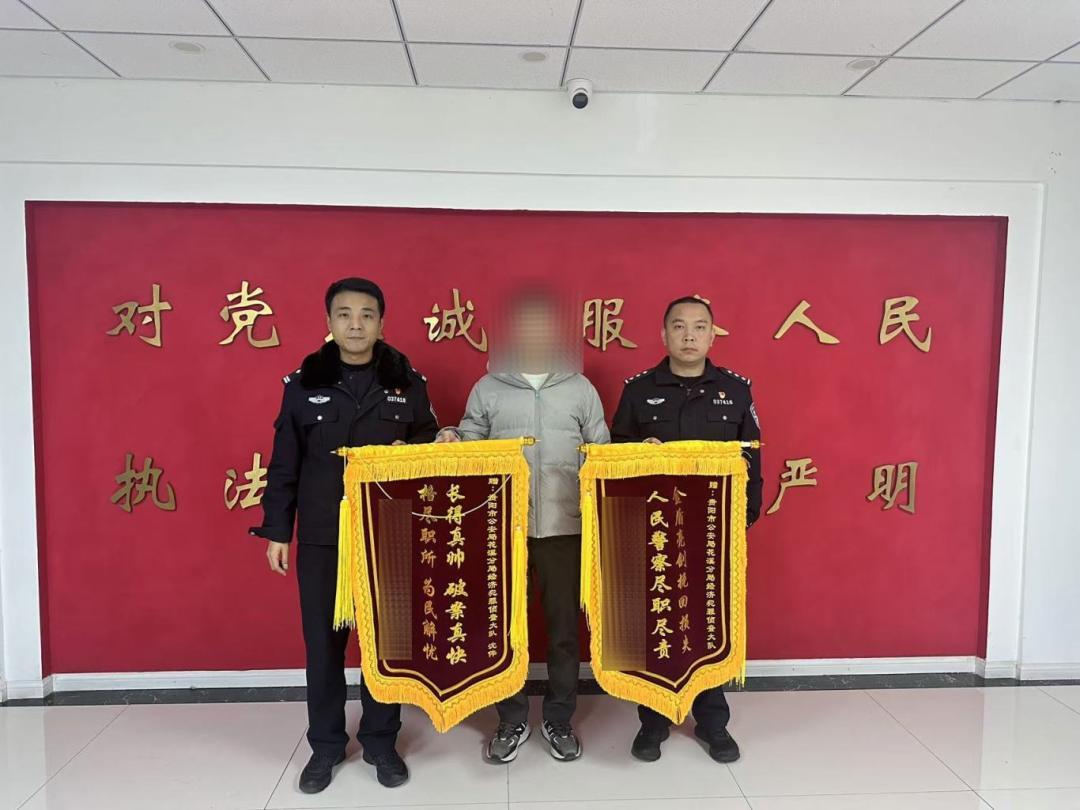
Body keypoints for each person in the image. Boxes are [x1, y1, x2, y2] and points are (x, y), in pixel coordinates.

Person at [251, 277, 438, 792]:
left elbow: (428, 448)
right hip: (322, 537)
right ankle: (326, 746)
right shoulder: (302, 384)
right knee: (323, 647)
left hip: (389, 536)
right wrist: (277, 531)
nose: (356, 325)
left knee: (385, 645)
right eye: (344, 314)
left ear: (382, 323)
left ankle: (381, 742)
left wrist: (418, 451)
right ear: (329, 322)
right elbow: (284, 463)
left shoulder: (407, 383)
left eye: (366, 315)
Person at [436, 288, 609, 763]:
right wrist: (451, 437)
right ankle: (510, 720)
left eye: (543, 325)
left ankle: (558, 719)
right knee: (504, 630)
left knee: (563, 631)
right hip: (503, 531)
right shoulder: (488, 387)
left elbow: (601, 454)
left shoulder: (580, 388)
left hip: (565, 528)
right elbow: (470, 446)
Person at [610, 295, 762, 764]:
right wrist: (640, 452)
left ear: (713, 335)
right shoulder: (638, 391)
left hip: (714, 533)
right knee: (656, 620)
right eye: (679, 326)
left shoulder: (735, 390)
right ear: (664, 335)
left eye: (699, 326)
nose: (689, 335)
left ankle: (712, 722)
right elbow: (613, 456)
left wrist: (743, 519)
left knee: (709, 623)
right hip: (654, 530)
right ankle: (653, 721)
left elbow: (752, 458)